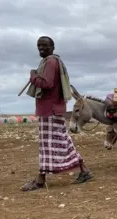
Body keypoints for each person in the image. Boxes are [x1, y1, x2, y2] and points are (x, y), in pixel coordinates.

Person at [21, 36, 94, 191]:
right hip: (53, 109)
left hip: (49, 110)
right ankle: (84, 170)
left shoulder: (51, 62)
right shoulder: (52, 61)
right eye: (39, 45)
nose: (41, 48)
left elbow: (47, 83)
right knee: (60, 142)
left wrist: (33, 76)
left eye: (45, 46)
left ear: (53, 47)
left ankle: (40, 181)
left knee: (49, 145)